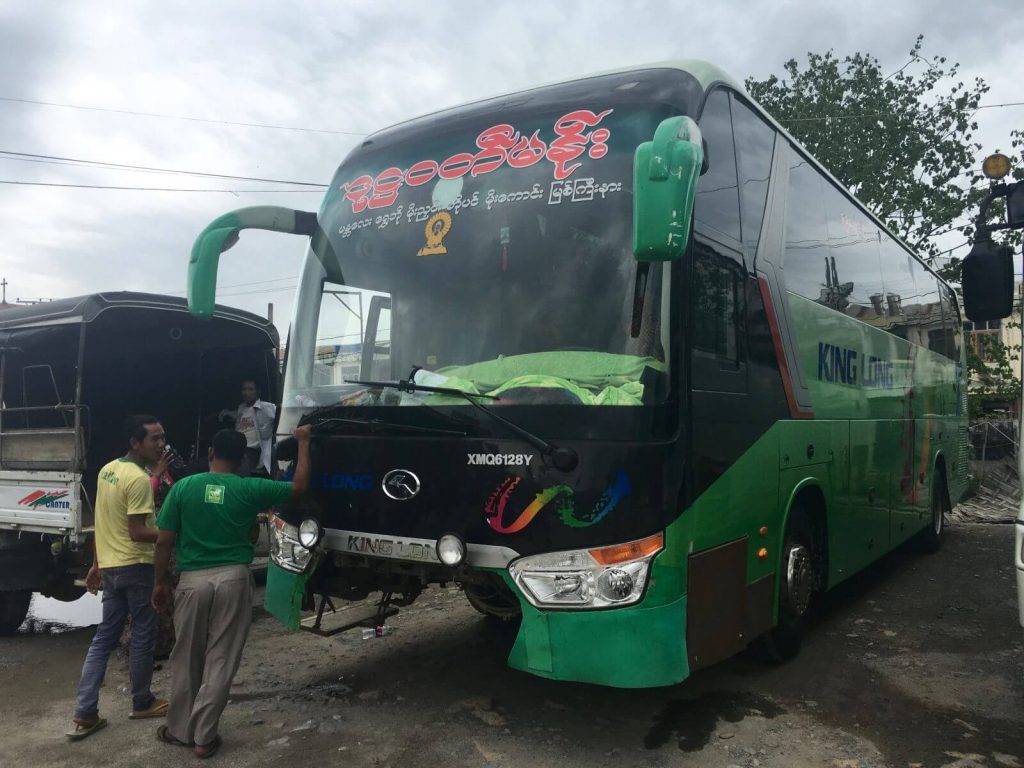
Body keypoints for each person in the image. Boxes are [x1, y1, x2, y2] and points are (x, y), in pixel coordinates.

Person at [152, 425, 311, 758]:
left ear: (210, 453)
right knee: (221, 658)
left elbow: (164, 540)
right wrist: (304, 443)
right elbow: (299, 487)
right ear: (242, 459)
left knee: (186, 657)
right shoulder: (251, 487)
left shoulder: (183, 488)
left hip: (192, 581)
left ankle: (180, 730)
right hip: (234, 579)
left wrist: (159, 583)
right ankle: (204, 738)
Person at [66, 415, 170, 741]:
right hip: (137, 568)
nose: (161, 444)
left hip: (111, 566)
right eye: (154, 439)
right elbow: (138, 532)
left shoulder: (107, 471)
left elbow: (101, 520)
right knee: (142, 635)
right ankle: (142, 701)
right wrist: (170, 535)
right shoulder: (138, 480)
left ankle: (85, 712)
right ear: (135, 443)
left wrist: (97, 563)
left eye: (162, 437)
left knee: (103, 640)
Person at [222, 379, 276, 476]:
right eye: (244, 389)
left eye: (250, 389)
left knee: (239, 469)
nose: (246, 393)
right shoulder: (241, 408)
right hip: (235, 448)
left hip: (251, 451)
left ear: (258, 392)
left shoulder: (265, 407)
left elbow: (282, 413)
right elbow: (228, 414)